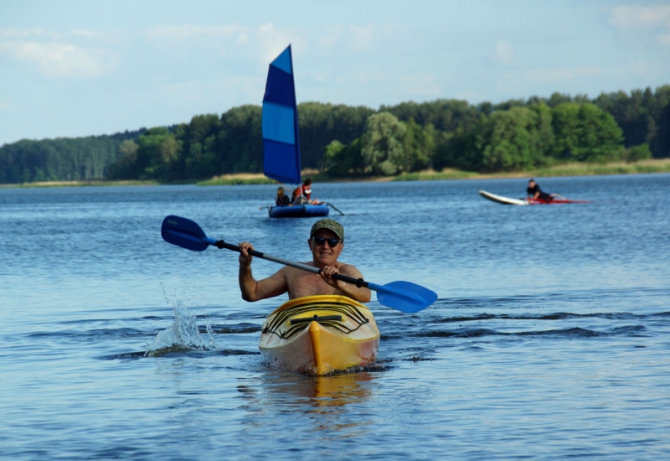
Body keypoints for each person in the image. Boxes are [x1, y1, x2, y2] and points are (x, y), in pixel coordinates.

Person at [228, 219, 371, 304]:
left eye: (332, 242)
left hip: (339, 329)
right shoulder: (292, 271)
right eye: (320, 240)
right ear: (310, 244)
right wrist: (245, 266)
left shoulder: (348, 271)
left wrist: (341, 285)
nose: (325, 246)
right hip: (300, 328)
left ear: (340, 248)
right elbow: (251, 294)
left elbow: (366, 296)